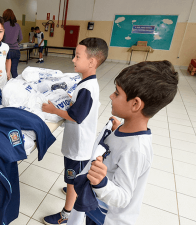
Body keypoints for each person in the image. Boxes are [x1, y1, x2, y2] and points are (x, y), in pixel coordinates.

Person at [79, 60, 178, 225]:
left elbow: (123, 197)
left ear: (135, 104)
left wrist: (101, 182)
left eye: (117, 93)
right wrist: (117, 132)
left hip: (108, 219)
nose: (111, 95)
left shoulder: (135, 150)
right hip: (98, 207)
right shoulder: (127, 129)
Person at [42, 37, 109, 225]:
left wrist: (53, 110)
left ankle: (66, 214)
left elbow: (76, 116)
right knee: (71, 175)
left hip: (78, 148)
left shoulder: (87, 88)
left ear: (91, 62)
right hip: (79, 143)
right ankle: (71, 187)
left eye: (77, 56)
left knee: (72, 179)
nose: (73, 59)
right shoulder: (87, 84)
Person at [2, 9, 22, 79]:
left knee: (5, 71)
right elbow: (20, 38)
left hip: (6, 51)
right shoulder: (17, 25)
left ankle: (6, 86)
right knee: (14, 71)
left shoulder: (3, 25)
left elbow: (1, 38)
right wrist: (15, 42)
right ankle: (16, 86)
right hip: (16, 50)